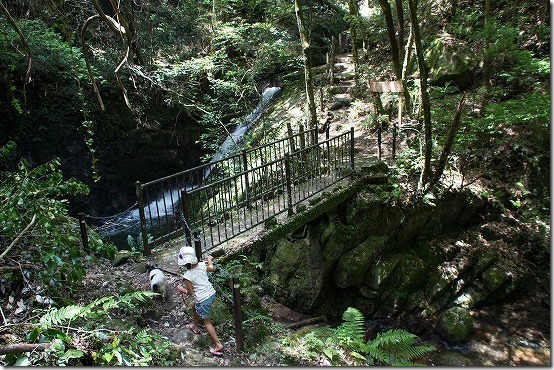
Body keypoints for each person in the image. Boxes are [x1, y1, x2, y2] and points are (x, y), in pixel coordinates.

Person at [176, 246, 224, 356]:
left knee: (207, 321)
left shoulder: (187, 276)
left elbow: (189, 292)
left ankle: (218, 344)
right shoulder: (202, 265)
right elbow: (211, 268)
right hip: (211, 293)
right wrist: (209, 260)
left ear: (185, 263)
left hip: (203, 299)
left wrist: (180, 289)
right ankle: (195, 325)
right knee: (194, 306)